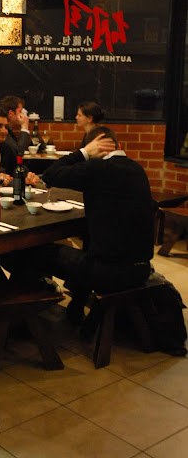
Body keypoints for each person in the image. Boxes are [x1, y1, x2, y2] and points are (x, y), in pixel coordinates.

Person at [40, 126, 155, 324]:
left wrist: (83, 152)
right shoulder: (138, 169)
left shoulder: (97, 168)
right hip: (141, 269)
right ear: (119, 146)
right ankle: (75, 309)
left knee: (40, 252)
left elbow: (50, 175)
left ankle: (28, 315)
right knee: (91, 249)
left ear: (94, 149)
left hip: (109, 272)